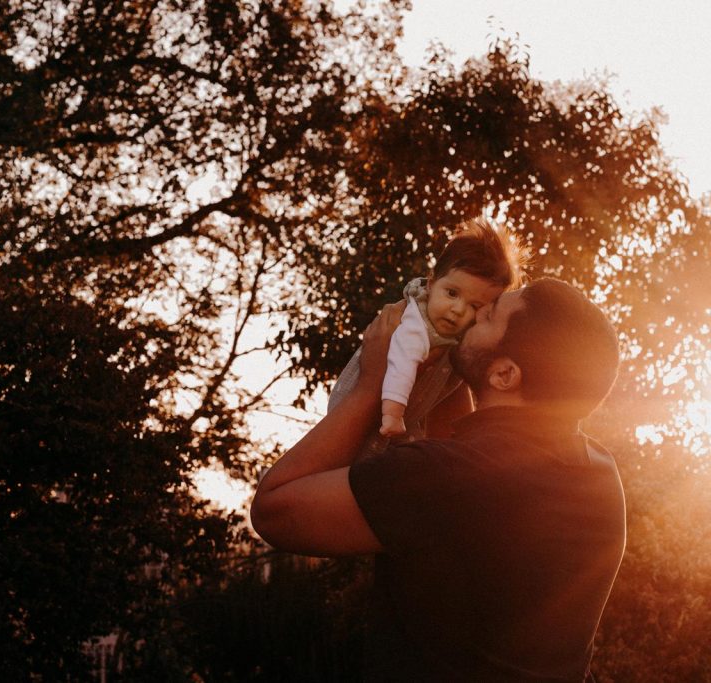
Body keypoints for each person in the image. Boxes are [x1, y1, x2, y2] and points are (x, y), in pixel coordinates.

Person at [250, 277, 626, 681]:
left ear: (504, 374)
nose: (474, 311)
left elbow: (275, 509)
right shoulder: (599, 473)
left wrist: (375, 381)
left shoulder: (445, 477)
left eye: (490, 315)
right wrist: (450, 359)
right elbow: (468, 450)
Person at [328, 218, 526, 458]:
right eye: (452, 293)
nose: (458, 309)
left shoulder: (459, 338)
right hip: (378, 408)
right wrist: (393, 414)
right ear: (432, 283)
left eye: (475, 306)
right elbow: (401, 362)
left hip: (401, 415)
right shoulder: (416, 321)